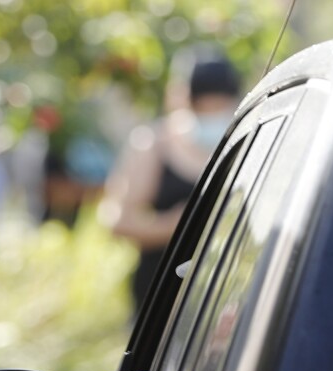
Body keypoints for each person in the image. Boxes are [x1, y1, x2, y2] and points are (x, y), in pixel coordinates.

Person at [98, 44, 241, 313]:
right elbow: (116, 220)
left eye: (218, 106)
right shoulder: (153, 145)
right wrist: (177, 226)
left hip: (221, 300)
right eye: (201, 106)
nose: (210, 114)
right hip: (161, 297)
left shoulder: (243, 142)